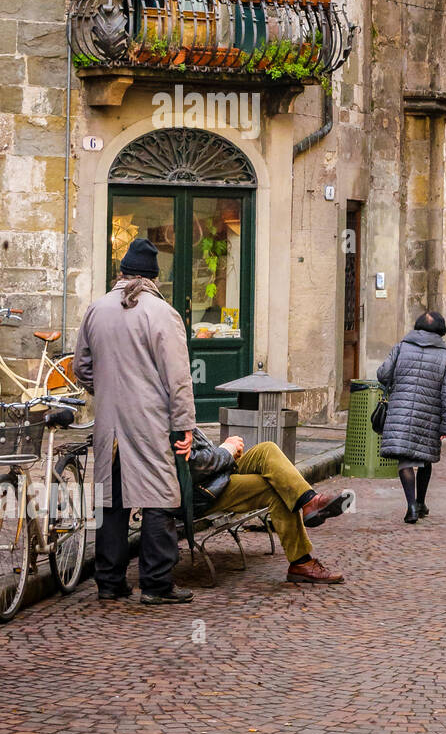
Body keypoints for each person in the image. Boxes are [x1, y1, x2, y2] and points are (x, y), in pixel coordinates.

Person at [71, 237, 197, 606]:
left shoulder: (96, 309)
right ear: (154, 277)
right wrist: (185, 425)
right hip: (149, 421)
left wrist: (108, 389)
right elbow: (178, 379)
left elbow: (81, 366)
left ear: (122, 272)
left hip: (108, 420)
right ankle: (156, 584)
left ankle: (110, 581)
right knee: (159, 496)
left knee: (111, 500)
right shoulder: (163, 313)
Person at [187, 429, 348, 581]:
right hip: (203, 492)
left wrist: (226, 451)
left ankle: (310, 500)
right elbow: (194, 466)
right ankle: (301, 562)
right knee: (274, 487)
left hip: (215, 475)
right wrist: (227, 449)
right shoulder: (175, 418)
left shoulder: (180, 413)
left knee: (266, 449)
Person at [377, 309, 446, 522]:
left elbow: (383, 374)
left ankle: (412, 506)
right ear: (441, 330)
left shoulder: (401, 347)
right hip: (429, 416)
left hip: (400, 412)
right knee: (425, 458)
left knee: (405, 460)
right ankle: (421, 502)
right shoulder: (445, 357)